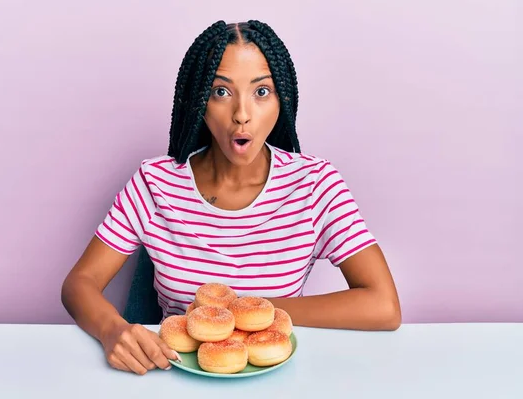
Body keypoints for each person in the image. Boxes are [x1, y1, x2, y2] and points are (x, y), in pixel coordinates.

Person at [61, 20, 401, 375]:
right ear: (199, 102)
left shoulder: (316, 185)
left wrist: (246, 312)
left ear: (282, 100)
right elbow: (79, 284)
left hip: (280, 378)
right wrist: (111, 329)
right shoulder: (155, 183)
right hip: (172, 377)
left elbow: (384, 306)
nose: (242, 114)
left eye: (261, 92)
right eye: (221, 92)